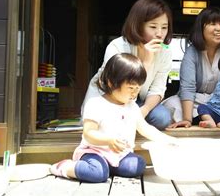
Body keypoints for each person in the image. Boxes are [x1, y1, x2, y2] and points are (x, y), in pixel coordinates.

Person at [50, 54, 176, 182]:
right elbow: (89, 133)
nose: (134, 93)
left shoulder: (132, 106)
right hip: (95, 152)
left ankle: (109, 167)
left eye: (138, 88)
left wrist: (170, 140)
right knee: (97, 173)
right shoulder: (96, 104)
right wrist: (108, 140)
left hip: (119, 155)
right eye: (131, 88)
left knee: (138, 165)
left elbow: (145, 128)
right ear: (111, 83)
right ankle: (64, 167)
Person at [83, 0, 173, 130]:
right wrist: (147, 62)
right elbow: (116, 88)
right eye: (153, 27)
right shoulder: (118, 46)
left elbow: (158, 88)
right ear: (137, 25)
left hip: (138, 101)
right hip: (110, 98)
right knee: (111, 121)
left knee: (162, 118)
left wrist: (143, 111)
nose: (159, 34)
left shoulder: (165, 52)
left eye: (164, 27)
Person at [164, 7, 220, 128]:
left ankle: (207, 119)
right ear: (201, 28)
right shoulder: (192, 52)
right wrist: (187, 119)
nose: (219, 28)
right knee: (171, 105)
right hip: (195, 101)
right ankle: (197, 119)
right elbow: (187, 88)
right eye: (212, 24)